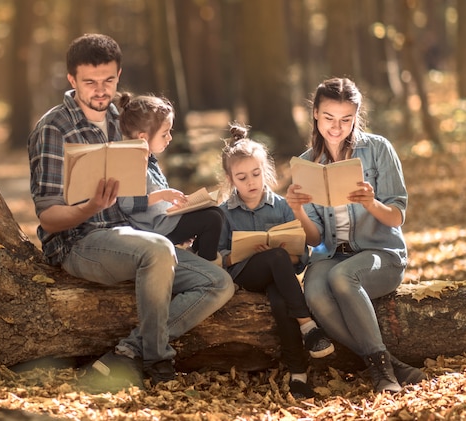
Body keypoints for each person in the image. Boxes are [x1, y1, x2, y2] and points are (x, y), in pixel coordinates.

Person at [27, 33, 235, 390]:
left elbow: (146, 184)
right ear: (71, 80)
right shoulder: (53, 128)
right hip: (79, 242)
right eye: (89, 82)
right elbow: (48, 218)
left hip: (133, 236)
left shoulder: (122, 119)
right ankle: (157, 360)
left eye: (108, 80)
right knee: (156, 249)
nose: (100, 90)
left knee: (218, 283)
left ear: (118, 74)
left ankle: (128, 351)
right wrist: (91, 206)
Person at [286, 77, 426, 394]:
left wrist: (371, 203)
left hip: (381, 255)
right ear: (316, 116)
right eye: (329, 118)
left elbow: (397, 215)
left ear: (356, 116)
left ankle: (382, 374)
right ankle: (388, 363)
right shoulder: (308, 163)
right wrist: (297, 211)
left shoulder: (378, 150)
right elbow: (315, 240)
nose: (337, 128)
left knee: (343, 276)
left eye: (346, 119)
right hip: (331, 254)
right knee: (315, 294)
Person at [217, 124, 334, 400]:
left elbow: (300, 258)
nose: (251, 182)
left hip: (279, 277)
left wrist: (281, 252)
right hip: (245, 275)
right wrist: (247, 253)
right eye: (242, 177)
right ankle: (308, 326)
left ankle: (298, 375)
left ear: (265, 171)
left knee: (281, 300)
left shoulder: (282, 206)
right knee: (274, 258)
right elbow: (218, 259)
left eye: (256, 174)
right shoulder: (223, 213)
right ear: (231, 179)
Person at [116, 93, 224, 265]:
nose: (170, 138)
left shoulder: (148, 159)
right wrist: (162, 195)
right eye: (164, 134)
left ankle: (197, 256)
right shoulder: (131, 164)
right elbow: (127, 204)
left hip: (165, 222)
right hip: (154, 229)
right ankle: (208, 266)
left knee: (215, 212)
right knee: (212, 219)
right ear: (143, 137)